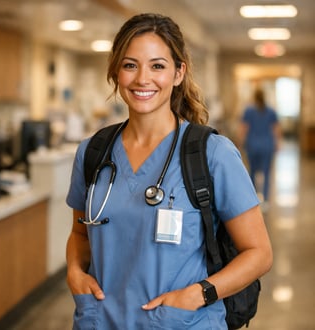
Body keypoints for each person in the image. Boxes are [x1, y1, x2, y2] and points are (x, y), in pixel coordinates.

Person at [66, 13, 273, 330]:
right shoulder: (93, 153)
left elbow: (258, 254)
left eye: (158, 66)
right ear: (116, 71)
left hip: (181, 321)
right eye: (130, 65)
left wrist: (198, 294)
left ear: (179, 73)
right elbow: (81, 234)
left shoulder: (212, 153)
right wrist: (74, 272)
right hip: (101, 321)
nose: (142, 79)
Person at [239, 88, 281, 208]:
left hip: (252, 146)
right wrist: (278, 143)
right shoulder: (271, 111)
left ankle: (253, 200)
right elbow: (276, 129)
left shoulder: (248, 111)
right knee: (266, 173)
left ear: (254, 97)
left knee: (252, 172)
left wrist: (240, 143)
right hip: (267, 146)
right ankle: (266, 201)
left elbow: (243, 129)